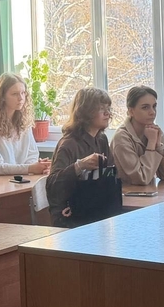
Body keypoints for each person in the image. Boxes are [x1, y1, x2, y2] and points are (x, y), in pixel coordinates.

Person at [47, 87, 114, 226]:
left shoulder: (101, 139)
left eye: (108, 108)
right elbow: (52, 186)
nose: (107, 113)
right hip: (69, 214)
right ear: (86, 112)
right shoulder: (68, 144)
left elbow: (110, 175)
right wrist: (79, 166)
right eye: (101, 108)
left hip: (94, 208)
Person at [0, 72, 50, 177]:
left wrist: (37, 167)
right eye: (15, 94)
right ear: (2, 97)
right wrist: (30, 168)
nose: (21, 98)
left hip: (22, 179)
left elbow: (32, 154)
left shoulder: (24, 119)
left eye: (23, 93)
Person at [110, 86, 164, 186]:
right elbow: (141, 179)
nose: (152, 112)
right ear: (131, 111)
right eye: (145, 107)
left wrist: (158, 146)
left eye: (154, 106)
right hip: (127, 194)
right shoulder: (121, 138)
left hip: (148, 193)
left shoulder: (154, 132)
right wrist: (151, 144)